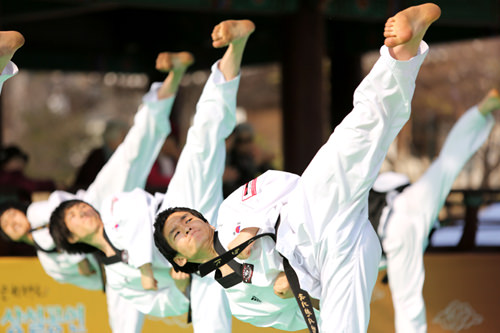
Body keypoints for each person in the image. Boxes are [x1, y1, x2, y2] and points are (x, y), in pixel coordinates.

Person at [153, 4, 441, 332]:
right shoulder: (241, 304)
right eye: (178, 232)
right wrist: (290, 291)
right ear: (179, 259)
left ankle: (403, 51)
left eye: (187, 218)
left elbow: (285, 184)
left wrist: (251, 227)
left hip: (307, 221)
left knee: (357, 135)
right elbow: (304, 317)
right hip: (338, 263)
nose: (187, 226)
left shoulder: (233, 211)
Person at [49, 19, 256, 332]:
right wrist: (178, 285)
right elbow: (160, 305)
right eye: (75, 216)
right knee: (210, 323)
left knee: (203, 138)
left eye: (79, 205)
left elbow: (135, 204)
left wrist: (146, 267)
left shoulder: (115, 206)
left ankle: (235, 45)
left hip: (178, 212)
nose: (84, 209)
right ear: (73, 238)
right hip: (197, 269)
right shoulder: (118, 280)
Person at [0, 42, 190, 332]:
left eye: (11, 215)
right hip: (112, 257)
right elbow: (88, 277)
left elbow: (62, 206)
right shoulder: (49, 263)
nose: (14, 221)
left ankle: (169, 83)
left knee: (133, 151)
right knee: (124, 319)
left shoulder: (39, 212)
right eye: (8, 225)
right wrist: (86, 264)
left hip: (95, 204)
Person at [368, 88, 500, 333]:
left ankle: (480, 112)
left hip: (395, 229)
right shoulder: (388, 188)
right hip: (409, 206)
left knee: (408, 302)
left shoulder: (370, 193)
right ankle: (480, 112)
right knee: (448, 163)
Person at [70, 120, 128, 192]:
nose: (126, 141)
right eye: (123, 137)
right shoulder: (97, 157)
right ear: (112, 140)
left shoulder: (123, 157)